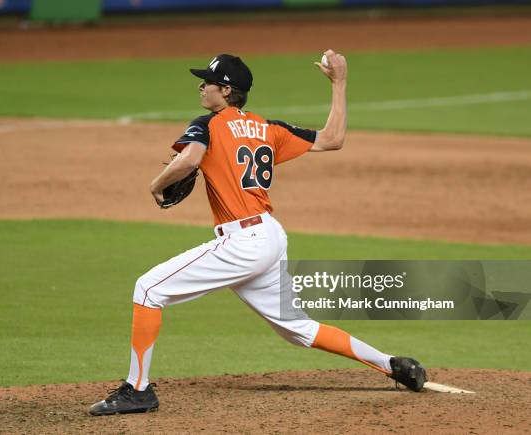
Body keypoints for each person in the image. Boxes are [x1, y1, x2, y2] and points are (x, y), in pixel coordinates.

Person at [89, 50, 426, 416]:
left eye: (209, 83)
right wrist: (339, 82)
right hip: (269, 236)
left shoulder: (208, 124)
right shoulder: (268, 129)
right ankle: (392, 364)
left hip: (243, 242)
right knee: (299, 328)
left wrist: (156, 185)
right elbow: (333, 138)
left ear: (227, 90)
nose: (202, 87)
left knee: (148, 289)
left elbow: (189, 159)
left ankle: (137, 390)